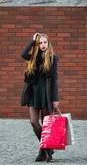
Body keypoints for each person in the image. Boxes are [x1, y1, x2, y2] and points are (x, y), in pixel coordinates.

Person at [21, 32, 60, 163]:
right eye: (40, 43)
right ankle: (47, 148)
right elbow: (23, 54)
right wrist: (33, 41)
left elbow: (54, 80)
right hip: (33, 93)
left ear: (48, 44)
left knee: (45, 124)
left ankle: (43, 152)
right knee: (33, 122)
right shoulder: (33, 57)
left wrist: (55, 99)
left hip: (46, 95)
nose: (43, 45)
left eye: (45, 42)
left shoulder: (52, 58)